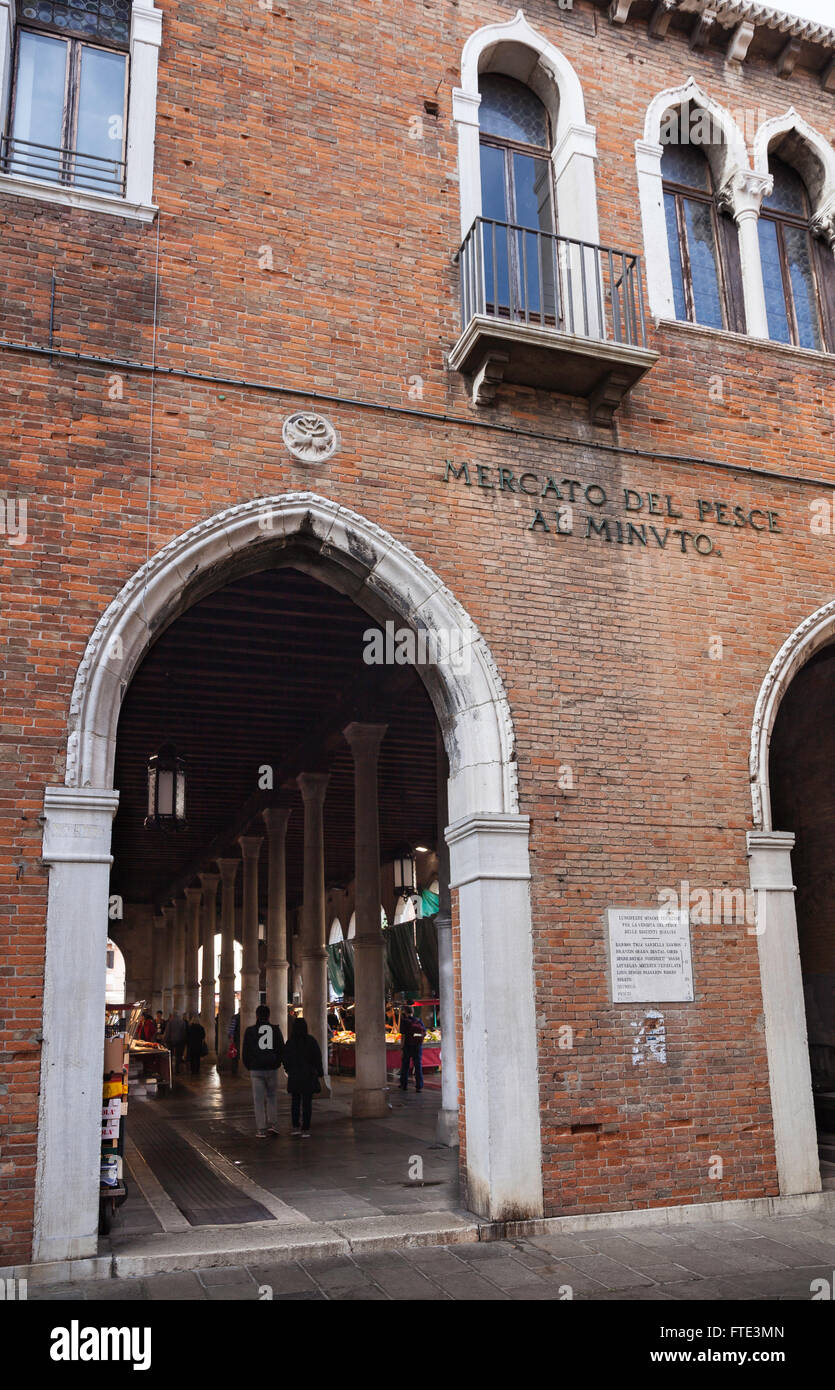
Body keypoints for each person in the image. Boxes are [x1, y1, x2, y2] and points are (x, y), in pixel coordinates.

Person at [242, 1004, 284, 1138]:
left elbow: (245, 1051)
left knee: (258, 1100)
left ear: (257, 1015)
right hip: (271, 1068)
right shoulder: (275, 1030)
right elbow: (281, 1048)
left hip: (256, 1069)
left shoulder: (250, 1031)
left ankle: (261, 1129)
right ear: (269, 1016)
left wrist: (249, 1065)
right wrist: (277, 1063)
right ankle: (273, 1125)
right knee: (272, 1097)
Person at [282, 1016, 324, 1137]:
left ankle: (295, 1127)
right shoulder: (311, 1041)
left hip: (294, 1076)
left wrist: (288, 1069)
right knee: (307, 1103)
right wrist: (319, 1072)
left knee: (295, 1102)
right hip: (308, 1076)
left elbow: (285, 1058)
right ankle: (305, 1128)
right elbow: (317, 1058)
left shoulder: (290, 1042)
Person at [399, 1005, 426, 1092]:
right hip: (417, 1046)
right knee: (418, 1066)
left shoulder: (404, 1021)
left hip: (407, 1045)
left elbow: (403, 1035)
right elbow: (424, 1033)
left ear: (405, 1012)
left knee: (405, 1066)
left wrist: (402, 1047)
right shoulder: (418, 1020)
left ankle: (404, 1085)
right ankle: (419, 1086)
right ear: (413, 1012)